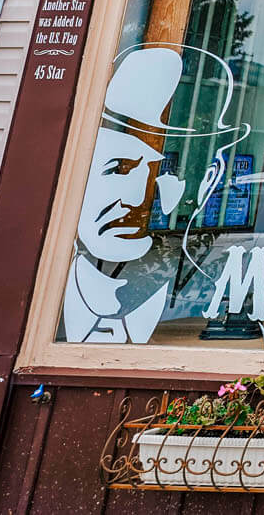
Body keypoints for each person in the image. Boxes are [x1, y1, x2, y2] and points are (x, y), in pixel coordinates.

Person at [64, 47, 188, 343]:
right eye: (119, 169)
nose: (137, 201)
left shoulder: (174, 299)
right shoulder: (52, 285)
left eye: (161, 173)